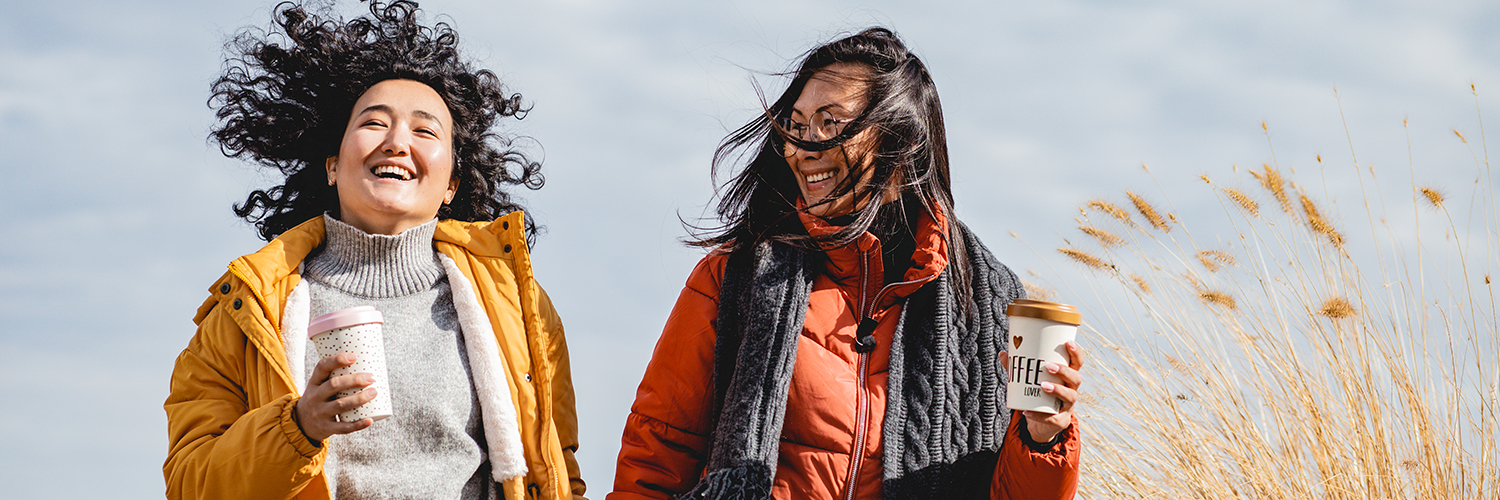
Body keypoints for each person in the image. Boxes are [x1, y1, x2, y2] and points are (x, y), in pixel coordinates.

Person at [610, 28, 1082, 499]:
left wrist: (1044, 437)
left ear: (898, 145)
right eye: (796, 125)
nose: (801, 147)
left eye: (829, 124)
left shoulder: (984, 301)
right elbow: (656, 454)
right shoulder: (735, 277)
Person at [163, 2, 585, 499]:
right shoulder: (245, 312)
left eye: (425, 131)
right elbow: (191, 482)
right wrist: (298, 427)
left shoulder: (518, 306)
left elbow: (558, 470)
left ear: (451, 184)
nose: (397, 142)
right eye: (374, 123)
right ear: (332, 167)